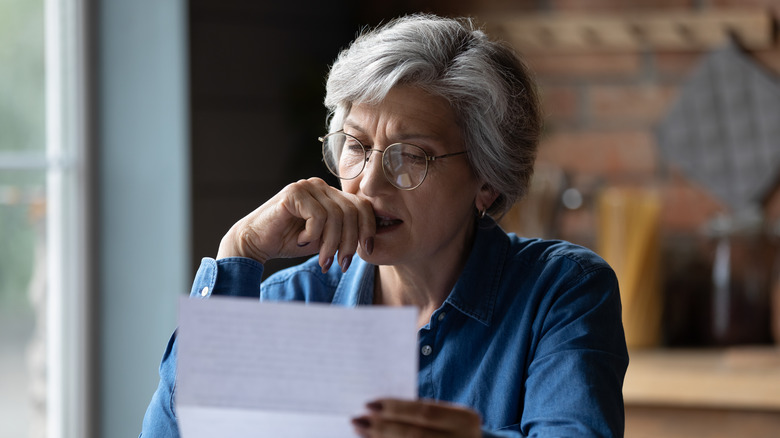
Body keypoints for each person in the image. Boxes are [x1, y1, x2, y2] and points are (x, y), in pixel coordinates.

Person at [141, 13, 628, 438]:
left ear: (487, 181)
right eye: (355, 146)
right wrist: (239, 252)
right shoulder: (293, 303)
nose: (369, 184)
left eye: (410, 156)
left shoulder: (561, 291)